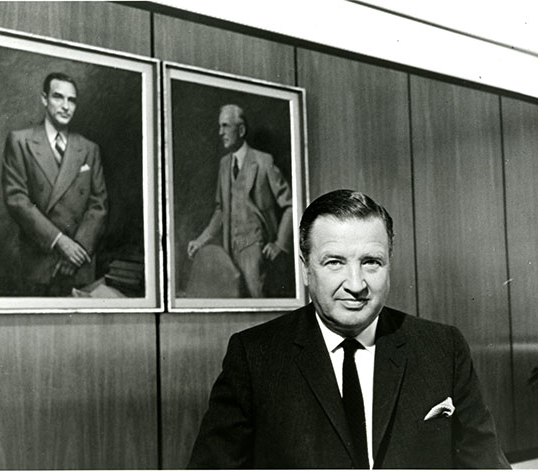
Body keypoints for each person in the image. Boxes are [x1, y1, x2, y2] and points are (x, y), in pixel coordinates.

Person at [188, 189, 510, 469]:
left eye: (371, 262)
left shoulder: (442, 348)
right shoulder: (254, 356)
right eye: (334, 262)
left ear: (389, 264)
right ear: (305, 269)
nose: (356, 285)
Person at [2, 72, 108, 296]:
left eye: (72, 100)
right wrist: (60, 242)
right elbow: (17, 200)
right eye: (58, 97)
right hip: (39, 263)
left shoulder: (90, 149)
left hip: (79, 265)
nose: (66, 106)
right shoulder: (20, 141)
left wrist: (77, 249)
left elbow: (98, 206)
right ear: (44, 99)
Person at [187, 104, 292, 298]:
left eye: (225, 126)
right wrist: (201, 240)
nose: (220, 132)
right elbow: (220, 211)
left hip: (255, 250)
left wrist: (279, 244)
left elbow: (291, 205)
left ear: (241, 130)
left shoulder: (263, 162)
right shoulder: (225, 164)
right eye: (220, 126)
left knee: (257, 305)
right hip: (229, 251)